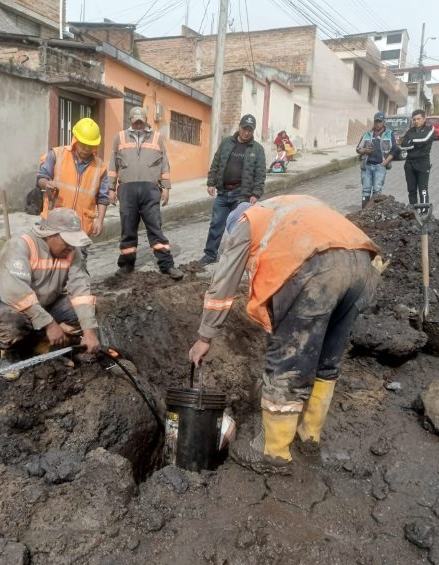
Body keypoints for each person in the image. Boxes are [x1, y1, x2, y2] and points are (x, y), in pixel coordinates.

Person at [188, 195, 384, 474]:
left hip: (319, 272)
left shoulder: (245, 223)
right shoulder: (288, 205)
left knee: (287, 363)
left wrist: (204, 337)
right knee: (326, 359)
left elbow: (222, 285)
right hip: (362, 266)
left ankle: (274, 452)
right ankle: (310, 437)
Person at [0, 208, 101, 381]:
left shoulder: (72, 252)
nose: (71, 248)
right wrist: (50, 324)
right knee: (12, 323)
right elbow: (15, 293)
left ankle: (41, 345)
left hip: (42, 302)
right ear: (50, 235)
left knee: (85, 311)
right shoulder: (20, 245)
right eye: (67, 242)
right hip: (4, 302)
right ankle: (10, 352)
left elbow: (81, 290)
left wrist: (89, 331)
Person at [108, 107, 184, 280]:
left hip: (150, 190)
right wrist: (111, 189)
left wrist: (166, 187)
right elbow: (113, 164)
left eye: (141, 121)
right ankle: (127, 264)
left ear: (145, 120)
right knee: (127, 229)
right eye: (135, 122)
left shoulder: (157, 138)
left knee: (155, 228)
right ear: (130, 121)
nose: (138, 125)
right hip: (127, 189)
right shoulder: (119, 137)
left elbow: (164, 163)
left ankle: (167, 265)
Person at [200, 114, 266, 265]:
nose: (246, 132)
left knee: (239, 228)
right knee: (216, 224)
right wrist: (211, 182)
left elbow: (260, 173)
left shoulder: (257, 149)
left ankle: (239, 258)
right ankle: (210, 254)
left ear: (253, 131)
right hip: (223, 192)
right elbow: (216, 163)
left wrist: (256, 193)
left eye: (250, 130)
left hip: (241, 194)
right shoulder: (226, 143)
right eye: (244, 128)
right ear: (240, 127)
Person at [36, 118, 110, 239]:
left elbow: (103, 198)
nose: (86, 149)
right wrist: (46, 184)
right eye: (83, 144)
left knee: (79, 258)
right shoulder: (56, 154)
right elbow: (41, 177)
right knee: (52, 257)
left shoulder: (100, 167)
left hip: (81, 228)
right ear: (75, 139)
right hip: (55, 225)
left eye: (90, 146)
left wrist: (100, 220)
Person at [356, 112, 400, 209]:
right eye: (376, 121)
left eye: (380, 121)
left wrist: (385, 162)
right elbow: (358, 149)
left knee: (377, 190)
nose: (378, 124)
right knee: (366, 189)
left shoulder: (389, 134)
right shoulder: (367, 134)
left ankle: (373, 211)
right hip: (367, 166)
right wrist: (365, 150)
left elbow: (395, 149)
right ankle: (365, 211)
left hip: (380, 166)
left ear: (384, 122)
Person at [401, 109, 435, 213]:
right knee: (411, 190)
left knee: (423, 189)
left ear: (424, 119)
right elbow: (403, 144)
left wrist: (412, 142)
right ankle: (413, 211)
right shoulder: (410, 131)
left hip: (423, 163)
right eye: (414, 119)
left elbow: (424, 140)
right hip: (410, 163)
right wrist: (414, 144)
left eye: (418, 119)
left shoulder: (430, 129)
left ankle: (424, 212)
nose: (416, 121)